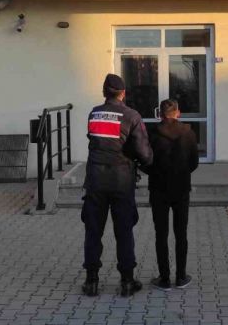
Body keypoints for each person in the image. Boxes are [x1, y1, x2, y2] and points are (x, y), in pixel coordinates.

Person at [81, 74, 153, 297]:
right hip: (121, 181)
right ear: (123, 93)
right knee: (124, 232)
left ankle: (91, 281)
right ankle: (127, 281)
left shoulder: (94, 113)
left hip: (95, 180)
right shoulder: (131, 116)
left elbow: (94, 139)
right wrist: (149, 163)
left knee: (93, 231)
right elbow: (143, 152)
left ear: (104, 93)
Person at [143, 99, 199, 291]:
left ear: (160, 114)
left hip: (158, 189)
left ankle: (164, 278)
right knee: (181, 233)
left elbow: (146, 160)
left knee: (161, 234)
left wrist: (155, 173)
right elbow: (194, 162)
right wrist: (181, 173)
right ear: (178, 113)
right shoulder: (189, 133)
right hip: (181, 188)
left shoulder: (152, 133)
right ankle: (181, 276)